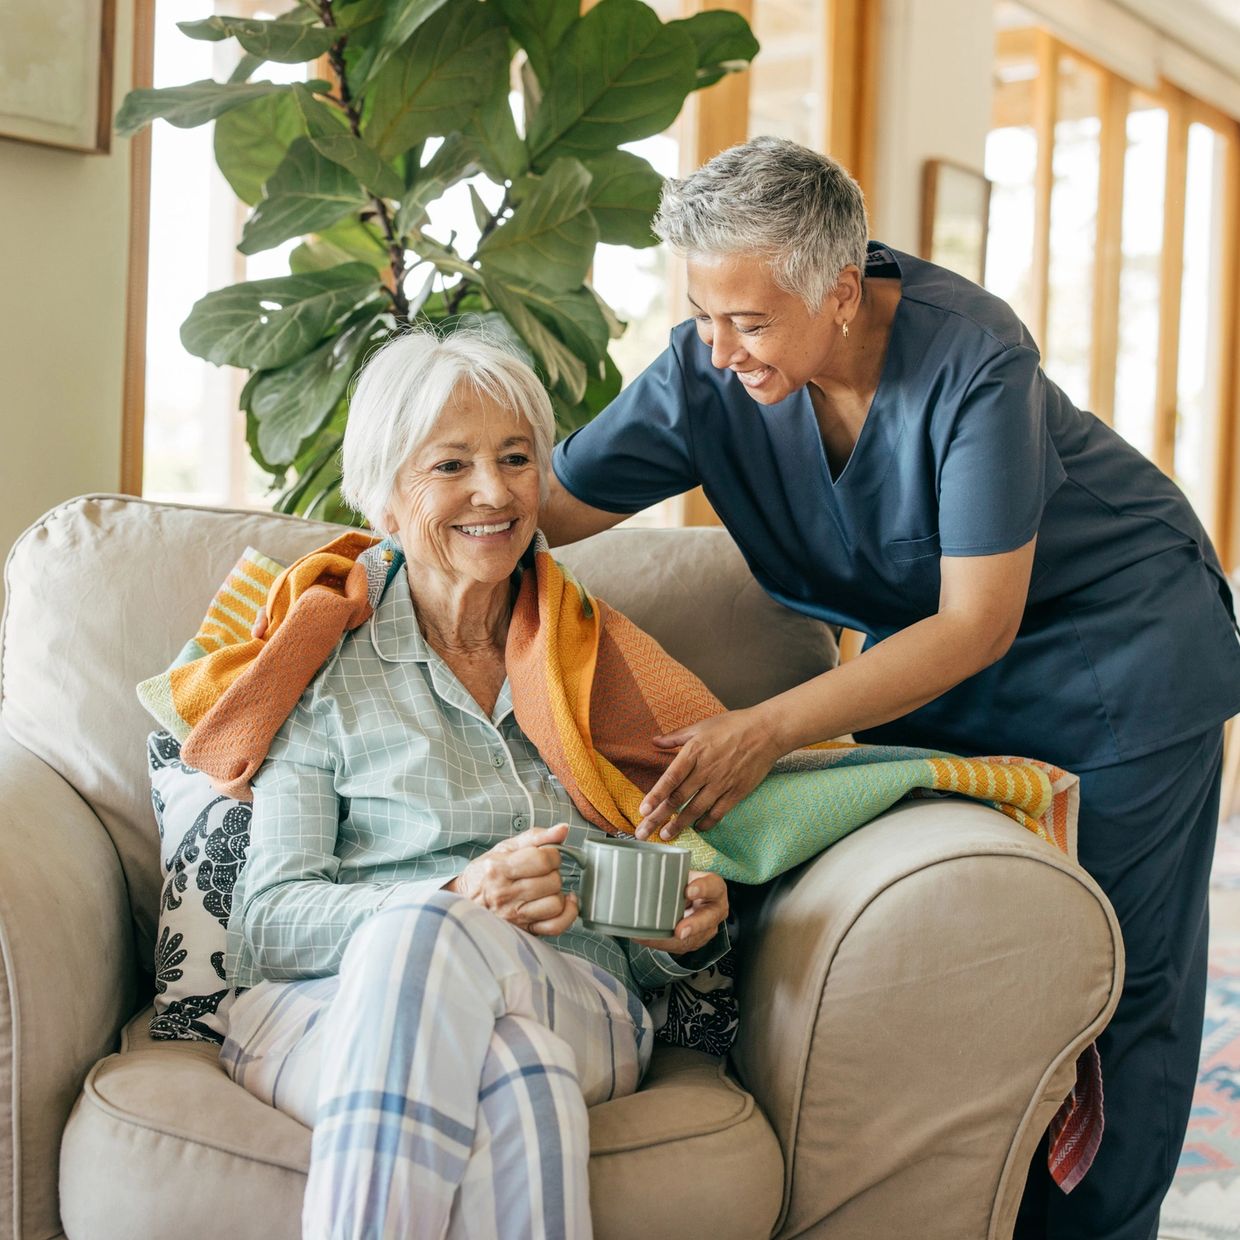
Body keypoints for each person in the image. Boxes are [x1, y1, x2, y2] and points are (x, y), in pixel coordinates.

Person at [541, 135, 1240, 1240]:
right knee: (966, 954)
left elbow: (977, 618)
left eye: (749, 321)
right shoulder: (705, 372)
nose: (718, 349)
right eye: (702, 314)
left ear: (839, 289)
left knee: (1117, 986)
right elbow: (535, 511)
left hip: (1117, 653)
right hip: (935, 668)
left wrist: (764, 730)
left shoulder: (971, 358)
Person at [219, 330, 730, 1240]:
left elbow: (646, 933)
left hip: (578, 993)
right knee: (518, 1075)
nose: (494, 492)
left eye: (516, 458)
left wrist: (683, 927)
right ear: (384, 494)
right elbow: (268, 922)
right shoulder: (320, 663)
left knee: (445, 952)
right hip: (326, 1004)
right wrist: (453, 894)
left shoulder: (594, 662)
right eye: (451, 464)